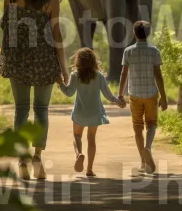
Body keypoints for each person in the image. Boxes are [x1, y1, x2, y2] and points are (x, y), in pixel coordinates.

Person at [0, 0, 68, 180]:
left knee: (21, 109)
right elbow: (56, 35)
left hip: (17, 59)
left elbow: (4, 26)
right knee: (41, 109)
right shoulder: (52, 0)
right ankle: (37, 159)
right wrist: (63, 66)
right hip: (43, 61)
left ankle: (22, 161)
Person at [58, 48, 124, 177]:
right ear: (94, 61)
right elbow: (108, 96)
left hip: (79, 112)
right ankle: (89, 169)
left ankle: (79, 154)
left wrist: (60, 83)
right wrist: (118, 101)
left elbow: (69, 93)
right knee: (91, 139)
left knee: (77, 136)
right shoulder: (99, 76)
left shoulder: (75, 75)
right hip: (95, 112)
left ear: (78, 61)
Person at [118, 21, 168, 174]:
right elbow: (158, 76)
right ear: (148, 33)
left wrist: (121, 94)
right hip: (151, 94)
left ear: (134, 33)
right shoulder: (154, 51)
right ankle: (148, 147)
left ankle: (142, 162)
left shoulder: (128, 51)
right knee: (151, 123)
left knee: (137, 127)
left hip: (135, 95)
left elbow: (124, 74)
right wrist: (164, 97)